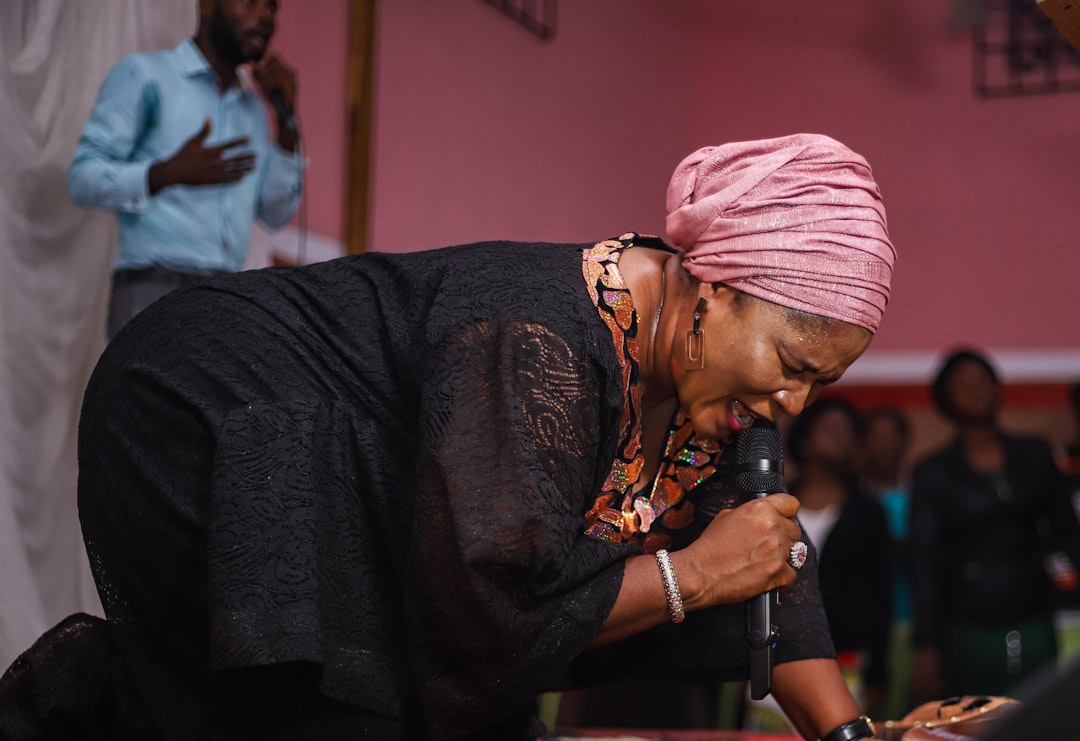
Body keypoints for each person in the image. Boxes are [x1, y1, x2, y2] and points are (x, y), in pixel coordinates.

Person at [0, 133, 895, 741]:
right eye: (791, 361)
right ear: (716, 288)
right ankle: (73, 702)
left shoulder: (713, 400)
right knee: (307, 708)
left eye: (823, 381)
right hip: (210, 397)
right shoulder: (536, 338)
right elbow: (486, 608)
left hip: (352, 464)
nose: (795, 399)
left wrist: (848, 733)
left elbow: (774, 574)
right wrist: (690, 575)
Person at [67, 0, 304, 340]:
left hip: (229, 297)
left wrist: (285, 122)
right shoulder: (146, 75)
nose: (266, 16)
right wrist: (165, 173)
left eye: (272, 7)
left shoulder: (253, 108)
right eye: (252, 1)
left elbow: (275, 214)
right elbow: (82, 179)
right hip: (153, 287)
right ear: (207, 5)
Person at [909, 348, 1080, 705]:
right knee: (974, 719)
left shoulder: (1035, 452)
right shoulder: (933, 471)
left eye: (984, 379)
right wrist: (927, 647)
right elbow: (925, 564)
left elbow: (1067, 533)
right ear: (944, 398)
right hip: (966, 624)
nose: (977, 389)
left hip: (1032, 611)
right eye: (963, 383)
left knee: (1038, 715)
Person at [785, 397, 893, 719]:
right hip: (778, 656)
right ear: (806, 440)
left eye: (848, 432)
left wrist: (878, 675)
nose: (841, 437)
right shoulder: (776, 504)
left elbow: (879, 597)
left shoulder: (868, 512)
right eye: (831, 429)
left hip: (844, 656)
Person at [860, 405, 916, 718]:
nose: (884, 445)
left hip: (909, 619)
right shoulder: (854, 500)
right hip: (866, 623)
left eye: (892, 436)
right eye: (876, 436)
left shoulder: (918, 495)